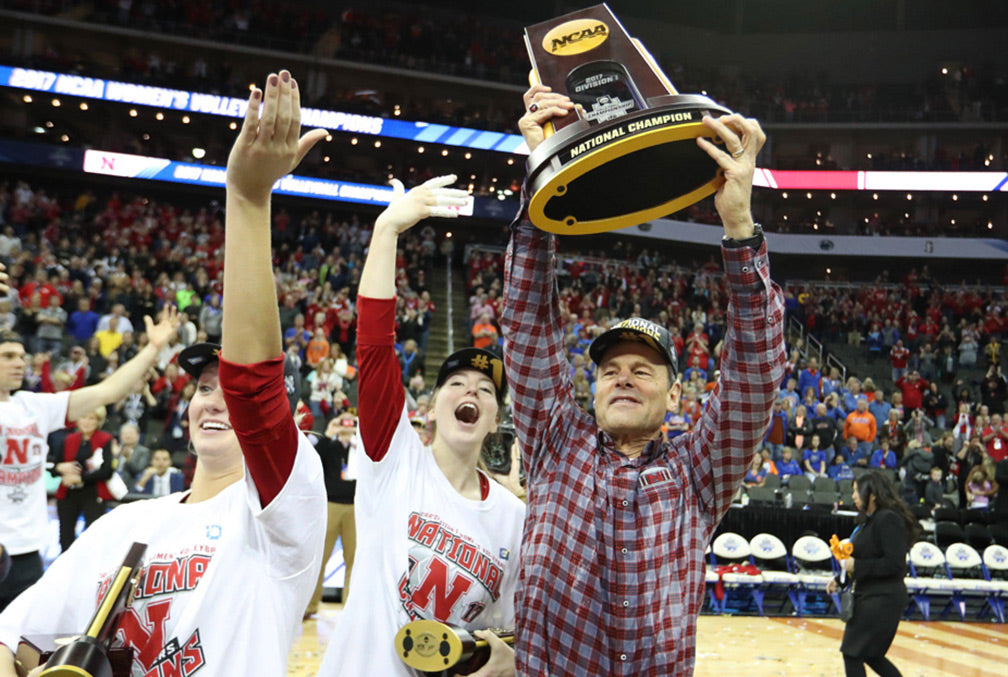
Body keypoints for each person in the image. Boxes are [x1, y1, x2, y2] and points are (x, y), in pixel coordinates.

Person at [0, 69, 327, 675]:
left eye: (228, 391)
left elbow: (254, 384)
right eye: (202, 389)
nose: (215, 399)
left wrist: (248, 199)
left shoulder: (282, 515)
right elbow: (13, 633)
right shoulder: (127, 524)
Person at [502, 86, 785, 675]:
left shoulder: (697, 473)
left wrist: (738, 225)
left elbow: (754, 376)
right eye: (610, 371)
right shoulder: (556, 441)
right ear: (593, 388)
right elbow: (528, 322)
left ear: (675, 394)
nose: (623, 380)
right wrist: (544, 171)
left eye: (642, 370)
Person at [319, 174, 524, 677]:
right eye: (456, 383)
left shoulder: (513, 519)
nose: (471, 391)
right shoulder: (395, 461)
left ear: (495, 420)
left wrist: (510, 660)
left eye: (485, 389)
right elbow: (373, 350)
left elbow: (505, 631)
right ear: (430, 408)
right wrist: (386, 231)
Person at [0, 298, 178, 611]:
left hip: (27, 552)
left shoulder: (34, 406)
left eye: (21, 356)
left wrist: (152, 348)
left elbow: (108, 391)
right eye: (8, 356)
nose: (19, 363)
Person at [827, 470, 917, 677]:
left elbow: (895, 565)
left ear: (873, 494)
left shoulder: (888, 519)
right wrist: (840, 580)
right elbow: (864, 557)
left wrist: (857, 566)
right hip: (868, 595)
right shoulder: (867, 521)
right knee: (871, 655)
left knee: (853, 653)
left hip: (883, 598)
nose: (853, 496)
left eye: (857, 491)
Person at [304, 413, 358, 619]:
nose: (347, 425)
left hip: (355, 507)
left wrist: (359, 436)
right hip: (330, 506)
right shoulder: (329, 446)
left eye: (352, 422)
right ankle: (309, 605)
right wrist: (328, 434)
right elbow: (314, 459)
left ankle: (351, 609)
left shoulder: (360, 448)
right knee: (319, 557)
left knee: (354, 561)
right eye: (343, 421)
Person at [52, 406, 116, 551]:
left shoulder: (105, 439)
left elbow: (107, 471)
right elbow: (54, 467)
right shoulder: (68, 439)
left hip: (93, 493)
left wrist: (80, 478)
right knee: (65, 536)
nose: (86, 422)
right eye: (83, 417)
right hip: (68, 493)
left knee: (94, 535)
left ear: (98, 421)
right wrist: (60, 467)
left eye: (91, 418)